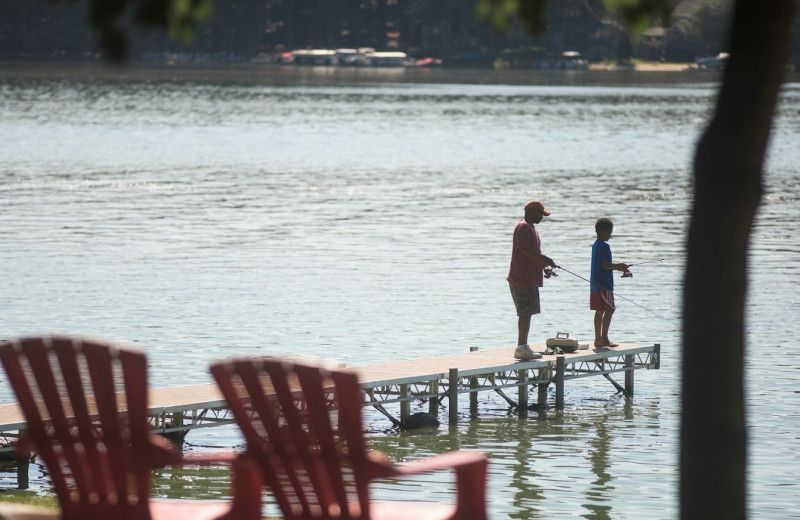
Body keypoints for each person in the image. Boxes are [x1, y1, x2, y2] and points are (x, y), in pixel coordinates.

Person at [507, 200, 556, 360]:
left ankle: (523, 346)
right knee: (525, 312)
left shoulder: (532, 229)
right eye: (540, 214)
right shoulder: (522, 227)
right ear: (531, 212)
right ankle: (521, 347)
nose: (542, 217)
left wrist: (545, 267)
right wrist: (545, 258)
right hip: (521, 277)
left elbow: (535, 251)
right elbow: (523, 250)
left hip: (530, 278)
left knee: (528, 312)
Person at [590, 218, 630, 348]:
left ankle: (598, 340)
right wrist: (620, 265)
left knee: (600, 311)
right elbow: (606, 265)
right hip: (604, 284)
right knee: (610, 309)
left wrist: (620, 268)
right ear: (603, 232)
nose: (610, 235)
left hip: (595, 284)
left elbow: (604, 265)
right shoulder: (604, 246)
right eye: (609, 232)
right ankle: (604, 339)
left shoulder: (596, 245)